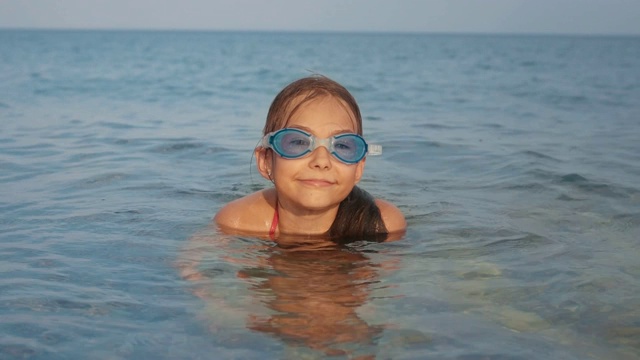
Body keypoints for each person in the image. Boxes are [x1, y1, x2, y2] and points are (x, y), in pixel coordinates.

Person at [214, 75, 406, 241]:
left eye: (342, 145)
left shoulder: (383, 226)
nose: (321, 161)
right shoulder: (238, 223)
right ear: (266, 161)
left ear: (358, 168)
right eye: (298, 142)